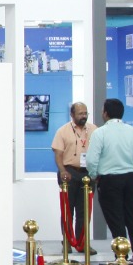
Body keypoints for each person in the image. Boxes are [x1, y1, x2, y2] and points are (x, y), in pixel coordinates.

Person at [85, 98, 133, 265]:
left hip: (109, 180)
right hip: (129, 179)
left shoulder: (100, 133)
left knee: (116, 220)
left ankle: (121, 257)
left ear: (105, 113)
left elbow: (91, 160)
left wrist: (94, 175)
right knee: (132, 218)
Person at [51, 102, 94, 249]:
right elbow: (58, 154)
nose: (84, 116)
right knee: (67, 210)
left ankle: (82, 243)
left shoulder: (94, 130)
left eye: (85, 113)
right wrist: (63, 170)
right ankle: (68, 241)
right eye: (80, 113)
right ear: (72, 114)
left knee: (85, 211)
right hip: (69, 172)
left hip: (88, 173)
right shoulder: (63, 131)